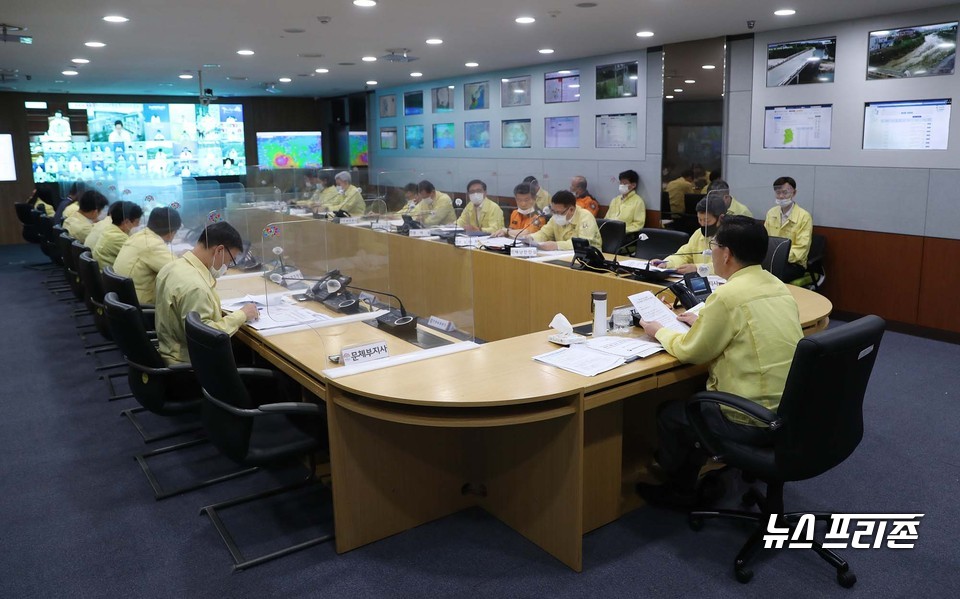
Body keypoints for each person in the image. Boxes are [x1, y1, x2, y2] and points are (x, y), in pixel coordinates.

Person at [636, 216, 803, 507]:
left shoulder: (727, 296)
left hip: (750, 417)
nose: (712, 251)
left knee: (672, 413)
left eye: (714, 245)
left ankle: (679, 489)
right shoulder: (777, 285)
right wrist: (705, 321)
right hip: (789, 410)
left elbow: (691, 352)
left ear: (726, 254)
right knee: (695, 400)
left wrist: (657, 330)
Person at [154, 222, 258, 365]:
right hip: (190, 364)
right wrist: (242, 314)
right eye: (230, 260)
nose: (227, 267)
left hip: (170, 349)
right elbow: (205, 337)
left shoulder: (172, 267)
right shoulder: (196, 287)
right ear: (219, 250)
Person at [113, 206, 182, 305]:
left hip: (123, 302)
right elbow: (179, 271)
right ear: (172, 233)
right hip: (140, 307)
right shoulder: (151, 245)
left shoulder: (139, 236)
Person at [652, 196, 726, 274]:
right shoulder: (698, 233)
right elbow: (683, 255)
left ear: (721, 218)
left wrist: (696, 268)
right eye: (700, 219)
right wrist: (667, 263)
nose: (702, 224)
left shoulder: (731, 236)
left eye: (707, 221)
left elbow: (726, 266)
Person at [763, 176, 813, 282]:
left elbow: (801, 250)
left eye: (785, 193)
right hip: (771, 260)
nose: (781, 196)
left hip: (794, 264)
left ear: (794, 193)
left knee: (771, 278)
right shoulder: (771, 213)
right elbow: (764, 239)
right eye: (778, 193)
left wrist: (779, 257)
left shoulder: (804, 216)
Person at [525, 190, 601, 250]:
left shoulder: (585, 216)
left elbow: (583, 243)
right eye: (553, 211)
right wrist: (531, 238)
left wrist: (557, 245)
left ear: (571, 209)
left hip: (589, 259)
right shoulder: (555, 217)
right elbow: (544, 233)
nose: (556, 215)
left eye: (558, 212)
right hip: (564, 255)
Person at [92, 201, 143, 269]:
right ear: (126, 222)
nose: (138, 225)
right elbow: (140, 259)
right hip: (106, 278)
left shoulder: (109, 230)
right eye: (137, 222)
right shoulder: (119, 238)